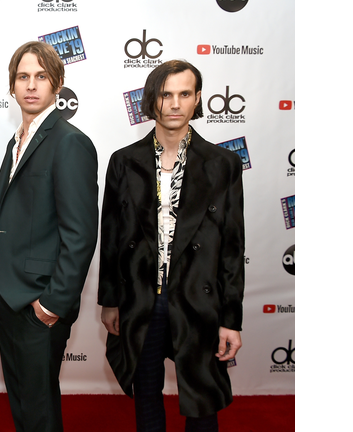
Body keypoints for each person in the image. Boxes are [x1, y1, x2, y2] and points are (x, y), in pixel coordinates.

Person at [98, 60, 245, 431]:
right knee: (146, 398)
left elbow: (232, 246)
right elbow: (112, 236)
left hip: (198, 300)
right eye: (166, 94)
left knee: (200, 401)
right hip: (141, 300)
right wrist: (111, 300)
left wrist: (231, 319)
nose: (175, 104)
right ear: (152, 101)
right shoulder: (123, 162)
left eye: (184, 94)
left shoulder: (223, 164)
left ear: (198, 99)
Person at [0, 41, 99, 432]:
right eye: (23, 77)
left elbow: (81, 233)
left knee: (39, 410)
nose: (31, 85)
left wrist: (52, 303)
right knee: (22, 402)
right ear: (12, 86)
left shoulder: (69, 142)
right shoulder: (16, 142)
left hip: (39, 303)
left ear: (58, 85)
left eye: (41, 77)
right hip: (8, 297)